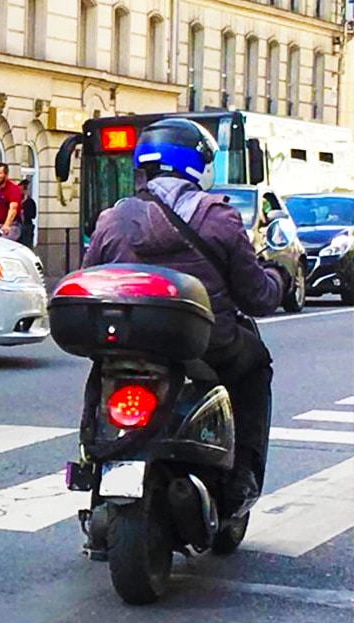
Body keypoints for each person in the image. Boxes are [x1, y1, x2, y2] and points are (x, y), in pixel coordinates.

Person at [83, 118, 288, 514]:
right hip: (206, 345)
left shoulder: (112, 219)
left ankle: (90, 461)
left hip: (129, 340)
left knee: (104, 372)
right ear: (196, 164)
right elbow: (258, 296)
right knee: (255, 368)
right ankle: (242, 473)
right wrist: (278, 277)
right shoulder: (218, 217)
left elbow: (91, 279)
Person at [19, 178, 37, 249]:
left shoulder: (30, 202)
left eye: (21, 190)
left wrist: (24, 211)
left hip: (27, 226)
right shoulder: (17, 201)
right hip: (18, 226)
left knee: (27, 245)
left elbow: (33, 215)